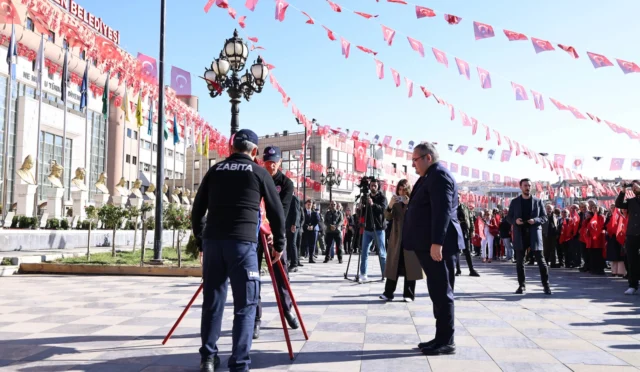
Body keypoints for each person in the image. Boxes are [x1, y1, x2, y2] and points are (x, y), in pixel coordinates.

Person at [191, 129, 286, 372]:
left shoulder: (215, 170)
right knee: (245, 306)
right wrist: (280, 244)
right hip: (242, 246)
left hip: (214, 244)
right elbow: (276, 212)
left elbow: (197, 209)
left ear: (231, 149)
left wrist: (201, 240)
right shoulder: (259, 172)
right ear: (255, 152)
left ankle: (208, 359)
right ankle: (239, 363)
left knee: (213, 301)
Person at [404, 143, 464, 356]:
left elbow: (442, 211)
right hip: (429, 245)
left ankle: (446, 341)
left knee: (442, 292)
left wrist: (437, 243)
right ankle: (440, 337)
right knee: (437, 292)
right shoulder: (429, 176)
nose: (413, 165)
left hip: (440, 246)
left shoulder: (439, 176)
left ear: (427, 157)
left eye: (415, 160)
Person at [255, 146, 299, 340]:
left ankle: (286, 308)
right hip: (256, 233)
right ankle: (255, 317)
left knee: (282, 275)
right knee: (252, 276)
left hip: (276, 234)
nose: (270, 165)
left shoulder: (286, 183)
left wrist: (273, 232)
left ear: (280, 162)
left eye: (274, 161)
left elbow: (282, 210)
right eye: (267, 161)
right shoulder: (257, 178)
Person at [380, 179, 424, 302]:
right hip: (396, 238)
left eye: (404, 189)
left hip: (411, 238)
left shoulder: (414, 201)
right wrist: (390, 205)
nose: (401, 192)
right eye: (399, 189)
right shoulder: (395, 203)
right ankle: (388, 293)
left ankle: (409, 294)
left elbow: (420, 217)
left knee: (410, 266)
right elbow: (387, 217)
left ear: (408, 190)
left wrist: (410, 204)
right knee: (393, 265)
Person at [506, 178, 551, 295]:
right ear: (521, 187)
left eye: (529, 185)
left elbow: (544, 217)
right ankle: (521, 285)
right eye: (525, 185)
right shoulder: (515, 202)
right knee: (520, 261)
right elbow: (509, 217)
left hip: (534, 233)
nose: (528, 187)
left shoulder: (538, 201)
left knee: (541, 261)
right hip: (520, 233)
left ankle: (546, 286)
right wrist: (515, 221)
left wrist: (535, 220)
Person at [359, 178, 388, 282]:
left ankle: (385, 274)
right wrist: (361, 207)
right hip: (367, 228)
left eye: (375, 185)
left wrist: (372, 204)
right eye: (371, 185)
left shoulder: (382, 197)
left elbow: (383, 210)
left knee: (382, 253)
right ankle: (363, 273)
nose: (373, 187)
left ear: (378, 186)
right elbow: (362, 214)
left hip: (379, 228)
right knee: (364, 252)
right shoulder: (365, 197)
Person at [615, 180, 640, 295]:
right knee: (631, 260)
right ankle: (633, 285)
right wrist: (623, 190)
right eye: (633, 188)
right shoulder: (631, 201)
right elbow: (618, 204)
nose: (635, 189)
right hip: (632, 234)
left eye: (637, 187)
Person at [455, 197, 480, 276]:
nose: (457, 199)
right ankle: (458, 270)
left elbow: (471, 219)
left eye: (458, 198)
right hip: (455, 230)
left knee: (467, 251)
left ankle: (471, 270)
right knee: (456, 251)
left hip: (465, 230)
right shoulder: (451, 207)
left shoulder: (465, 207)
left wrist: (472, 230)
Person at [606, 205, 626, 277]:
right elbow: (606, 226)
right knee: (613, 255)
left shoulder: (621, 216)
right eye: (611, 208)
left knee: (620, 255)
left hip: (620, 237)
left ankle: (621, 271)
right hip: (612, 238)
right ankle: (614, 271)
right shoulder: (609, 217)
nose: (612, 209)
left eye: (614, 207)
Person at [287, 194, 302, 272]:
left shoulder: (294, 198)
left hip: (293, 225)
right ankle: (288, 261)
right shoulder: (285, 197)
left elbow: (297, 212)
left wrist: (294, 224)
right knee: (288, 244)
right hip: (287, 224)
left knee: (293, 244)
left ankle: (294, 264)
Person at [542, 204, 560, 268]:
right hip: (545, 234)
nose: (549, 210)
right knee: (546, 249)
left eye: (550, 208)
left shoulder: (555, 216)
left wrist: (557, 233)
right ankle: (545, 262)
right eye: (547, 208)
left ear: (552, 209)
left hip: (553, 235)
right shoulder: (543, 216)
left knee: (553, 249)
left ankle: (553, 263)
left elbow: (557, 225)